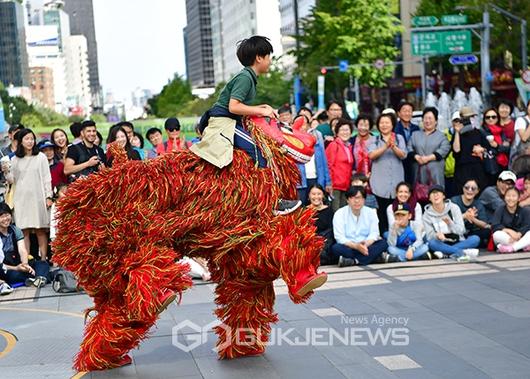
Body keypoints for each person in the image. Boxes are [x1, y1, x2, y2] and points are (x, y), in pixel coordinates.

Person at [190, 36, 301, 215]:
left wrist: (261, 107)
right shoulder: (245, 78)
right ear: (259, 58)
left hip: (229, 121)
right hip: (224, 124)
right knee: (260, 153)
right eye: (268, 56)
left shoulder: (248, 77)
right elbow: (233, 106)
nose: (270, 61)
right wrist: (261, 111)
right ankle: (273, 202)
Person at [2, 129, 52, 261]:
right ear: (21, 142)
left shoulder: (41, 157)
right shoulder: (15, 159)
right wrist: (6, 171)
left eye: (32, 139)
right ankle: (26, 260)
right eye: (27, 139)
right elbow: (12, 180)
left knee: (40, 230)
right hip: (21, 199)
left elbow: (47, 178)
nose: (30, 141)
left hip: (38, 198)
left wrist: (48, 196)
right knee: (24, 231)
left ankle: (43, 260)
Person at [368, 113, 407, 234]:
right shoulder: (374, 139)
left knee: (397, 211)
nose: (384, 125)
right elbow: (371, 155)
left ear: (392, 124)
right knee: (381, 212)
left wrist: (393, 146)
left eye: (387, 122)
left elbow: (403, 155)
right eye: (381, 123)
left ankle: (397, 236)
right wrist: (385, 146)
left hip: (396, 182)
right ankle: (383, 236)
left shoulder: (399, 138)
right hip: (380, 183)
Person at [331, 186, 387, 267]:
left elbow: (374, 233)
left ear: (364, 200)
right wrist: (356, 246)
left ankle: (354, 261)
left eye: (359, 198)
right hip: (349, 246)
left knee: (383, 244)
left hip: (366, 245)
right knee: (336, 248)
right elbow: (339, 237)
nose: (356, 201)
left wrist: (365, 244)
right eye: (353, 198)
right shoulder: (339, 213)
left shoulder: (371, 212)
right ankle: (373, 258)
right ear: (347, 200)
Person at [423, 185, 480, 262]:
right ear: (429, 198)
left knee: (475, 239)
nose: (435, 195)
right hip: (441, 243)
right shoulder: (427, 214)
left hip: (457, 240)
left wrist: (450, 224)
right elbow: (429, 236)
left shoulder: (454, 208)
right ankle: (459, 252)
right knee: (432, 243)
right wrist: (437, 235)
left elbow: (462, 231)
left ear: (443, 196)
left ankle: (446, 253)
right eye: (432, 193)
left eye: (438, 193)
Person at [0, 203, 49, 287]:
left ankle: (39, 278)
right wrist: (16, 268)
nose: (5, 219)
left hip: (18, 263)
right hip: (6, 267)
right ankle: (37, 277)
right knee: (12, 275)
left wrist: (25, 264)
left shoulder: (15, 230)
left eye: (7, 215)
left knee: (42, 263)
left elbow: (22, 250)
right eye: (2, 216)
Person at [410, 107, 451, 190]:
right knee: (419, 197)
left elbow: (445, 148)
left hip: (435, 173)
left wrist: (428, 158)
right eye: (425, 118)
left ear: (436, 121)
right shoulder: (415, 135)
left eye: (430, 118)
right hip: (418, 172)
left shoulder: (442, 136)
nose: (427, 121)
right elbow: (409, 148)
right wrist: (416, 157)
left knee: (436, 194)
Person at [294, 115, 331, 205]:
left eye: (304, 124)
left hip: (316, 179)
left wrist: (328, 181)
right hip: (300, 182)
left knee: (318, 206)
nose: (302, 127)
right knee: (302, 208)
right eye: (299, 124)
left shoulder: (316, 142)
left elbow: (324, 163)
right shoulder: (292, 144)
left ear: (308, 126)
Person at [452, 107, 489, 192]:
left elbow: (488, 149)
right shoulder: (457, 134)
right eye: (466, 118)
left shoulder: (479, 132)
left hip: (477, 169)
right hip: (462, 170)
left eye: (471, 117)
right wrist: (457, 132)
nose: (469, 120)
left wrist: (481, 149)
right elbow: (456, 150)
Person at [451, 179, 491, 247]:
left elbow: (484, 224)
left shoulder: (478, 203)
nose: (469, 190)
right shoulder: (454, 201)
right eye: (467, 187)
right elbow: (448, 220)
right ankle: (462, 246)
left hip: (471, 233)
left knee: (486, 232)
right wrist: (464, 216)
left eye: (473, 188)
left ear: (477, 191)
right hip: (456, 232)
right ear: (463, 188)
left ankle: (459, 246)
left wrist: (473, 219)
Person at [325, 118, 354, 211]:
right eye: (342, 130)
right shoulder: (334, 145)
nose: (345, 132)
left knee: (344, 212)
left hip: (345, 186)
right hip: (335, 186)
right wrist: (329, 183)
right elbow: (328, 165)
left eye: (347, 130)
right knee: (336, 213)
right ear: (337, 132)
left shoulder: (348, 146)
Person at [492, 187, 530, 253]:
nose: (511, 198)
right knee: (496, 234)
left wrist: (519, 234)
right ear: (504, 197)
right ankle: (521, 246)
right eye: (508, 196)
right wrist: (508, 231)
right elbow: (495, 225)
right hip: (507, 237)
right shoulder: (500, 209)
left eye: (514, 196)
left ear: (518, 198)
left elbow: (527, 225)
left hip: (520, 236)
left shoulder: (525, 210)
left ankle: (512, 248)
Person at [307, 184, 335, 265]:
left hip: (325, 241)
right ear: (309, 196)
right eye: (313, 194)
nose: (316, 197)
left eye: (319, 194)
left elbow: (331, 229)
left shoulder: (329, 210)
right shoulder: (304, 210)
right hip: (310, 241)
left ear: (323, 195)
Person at [395, 101, 420, 183]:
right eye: (404, 111)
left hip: (413, 162)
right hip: (399, 162)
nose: (407, 113)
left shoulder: (416, 128)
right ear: (399, 113)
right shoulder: (394, 129)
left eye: (409, 111)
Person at [482, 107, 510, 178]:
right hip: (489, 165)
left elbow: (507, 148)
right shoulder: (481, 132)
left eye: (493, 117)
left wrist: (497, 146)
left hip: (502, 164)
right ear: (484, 119)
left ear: (497, 118)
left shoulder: (501, 131)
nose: (491, 119)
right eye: (488, 117)